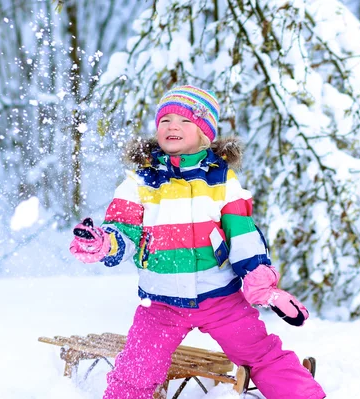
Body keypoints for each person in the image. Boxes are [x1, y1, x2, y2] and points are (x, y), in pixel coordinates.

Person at [69, 85, 326, 399]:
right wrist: (104, 243)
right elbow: (124, 230)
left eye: (185, 120)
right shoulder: (139, 182)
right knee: (134, 371)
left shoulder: (221, 182)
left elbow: (243, 236)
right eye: (165, 120)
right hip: (160, 303)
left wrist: (262, 286)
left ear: (205, 134)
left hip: (221, 299)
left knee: (261, 353)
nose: (172, 125)